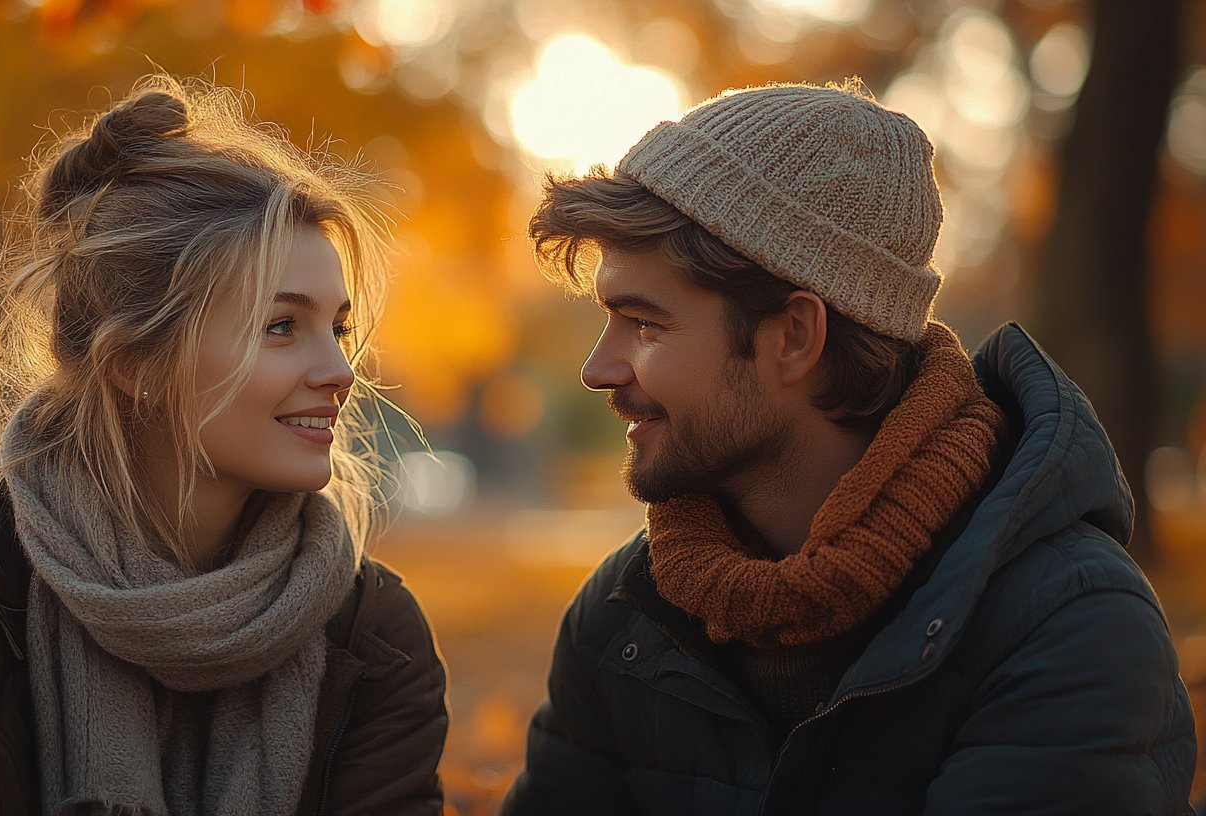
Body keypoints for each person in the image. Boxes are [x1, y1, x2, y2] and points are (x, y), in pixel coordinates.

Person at [501, 81, 1196, 814]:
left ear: (795, 336)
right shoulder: (624, 619)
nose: (596, 369)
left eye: (644, 324)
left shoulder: (1068, 627)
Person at [0, 77, 447, 816]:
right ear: (133, 366)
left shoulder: (372, 636)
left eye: (338, 328)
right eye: (281, 327)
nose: (340, 372)